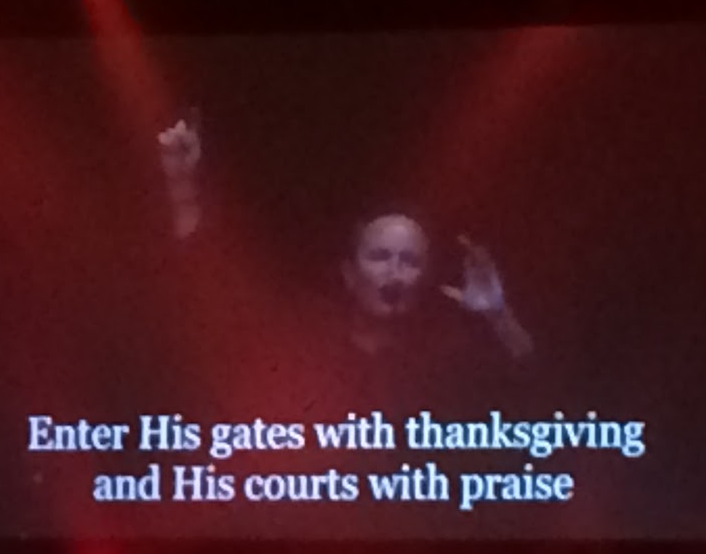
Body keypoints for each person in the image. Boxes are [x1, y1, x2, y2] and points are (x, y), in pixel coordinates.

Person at [157, 112, 534, 418]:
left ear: (426, 276)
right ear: (350, 274)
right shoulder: (306, 346)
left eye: (409, 261)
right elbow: (206, 307)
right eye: (380, 257)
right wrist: (182, 188)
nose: (394, 273)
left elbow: (538, 391)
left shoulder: (443, 356)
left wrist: (498, 315)